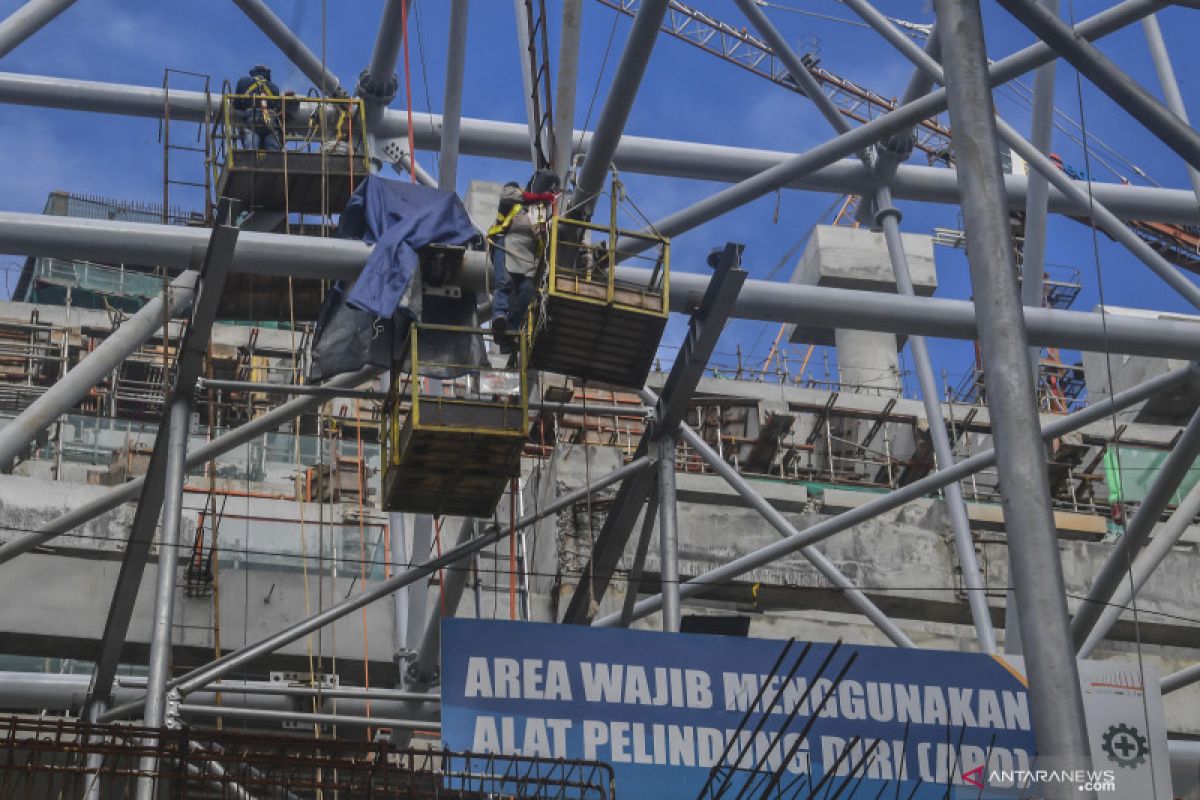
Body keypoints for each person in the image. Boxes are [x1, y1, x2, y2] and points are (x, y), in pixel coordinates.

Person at [487, 174, 558, 354]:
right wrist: (537, 197)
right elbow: (506, 195)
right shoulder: (515, 192)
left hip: (527, 256)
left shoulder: (544, 213)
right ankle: (499, 316)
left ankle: (509, 329)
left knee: (527, 291)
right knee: (504, 282)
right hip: (505, 243)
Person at [232, 64, 282, 151]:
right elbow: (278, 108)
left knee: (251, 148)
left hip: (251, 118)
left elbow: (236, 105)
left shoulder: (243, 81)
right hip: (270, 120)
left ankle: (251, 158)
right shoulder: (274, 88)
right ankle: (275, 159)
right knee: (273, 148)